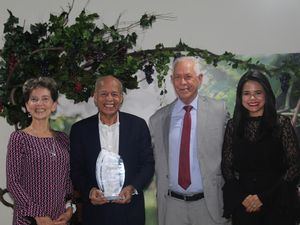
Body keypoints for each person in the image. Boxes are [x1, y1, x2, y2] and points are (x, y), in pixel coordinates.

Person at [149, 56, 230, 225]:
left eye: (188, 76)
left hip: (208, 205)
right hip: (172, 207)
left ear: (199, 79)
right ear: (171, 80)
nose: (182, 82)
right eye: (177, 77)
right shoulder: (158, 119)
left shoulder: (219, 111)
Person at [70, 75, 154, 225]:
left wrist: (133, 188)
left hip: (130, 212)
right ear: (95, 97)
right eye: (103, 94)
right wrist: (89, 190)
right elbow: (75, 169)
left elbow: (148, 164)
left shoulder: (138, 126)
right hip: (95, 213)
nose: (109, 99)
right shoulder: (79, 130)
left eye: (114, 94)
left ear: (121, 98)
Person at [221, 70, 300, 225]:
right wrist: (243, 198)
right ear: (240, 97)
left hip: (277, 205)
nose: (252, 98)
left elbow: (295, 166)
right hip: (244, 207)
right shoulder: (233, 126)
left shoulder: (282, 124)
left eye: (258, 93)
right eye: (246, 93)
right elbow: (226, 166)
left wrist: (262, 198)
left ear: (267, 94)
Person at [6, 77, 74, 225]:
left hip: (58, 219)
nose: (39, 104)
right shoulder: (19, 138)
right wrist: (38, 215)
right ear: (27, 105)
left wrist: (69, 209)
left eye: (45, 99)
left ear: (54, 105)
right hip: (29, 220)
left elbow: (68, 181)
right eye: (34, 99)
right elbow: (13, 183)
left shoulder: (63, 138)